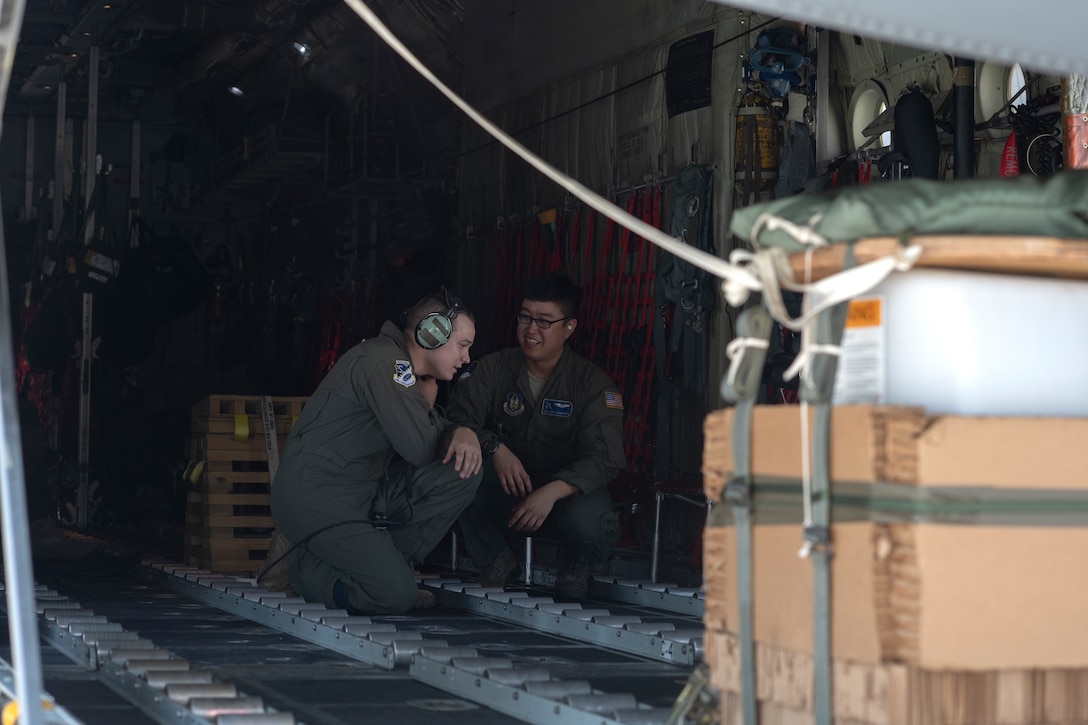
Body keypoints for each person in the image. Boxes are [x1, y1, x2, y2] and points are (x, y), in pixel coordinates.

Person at [265, 290, 485, 614]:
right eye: (462, 345)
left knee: (464, 468)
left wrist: (459, 431)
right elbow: (418, 448)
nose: (466, 358)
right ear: (432, 333)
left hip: (358, 496)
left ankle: (385, 568)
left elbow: (426, 434)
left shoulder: (400, 368)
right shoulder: (387, 363)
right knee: (395, 596)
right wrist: (427, 406)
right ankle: (305, 574)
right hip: (317, 497)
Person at [446, 272, 625, 597]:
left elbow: (605, 459)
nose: (531, 329)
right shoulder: (492, 369)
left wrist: (553, 491)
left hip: (564, 498)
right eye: (525, 317)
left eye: (544, 321)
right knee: (449, 474)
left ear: (568, 327)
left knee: (594, 522)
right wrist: (493, 448)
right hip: (507, 491)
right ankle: (496, 559)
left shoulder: (591, 383)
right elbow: (455, 421)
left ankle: (573, 567)